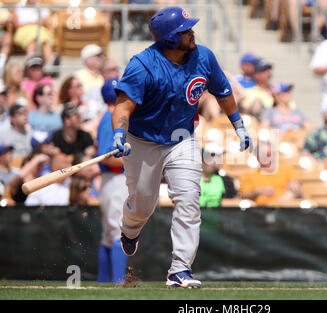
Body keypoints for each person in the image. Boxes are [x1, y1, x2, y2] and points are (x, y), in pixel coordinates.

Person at [110, 7, 253, 289]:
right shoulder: (143, 65)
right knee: (143, 203)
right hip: (142, 141)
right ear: (169, 39)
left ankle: (180, 270)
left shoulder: (204, 56)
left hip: (182, 138)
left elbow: (223, 92)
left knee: (189, 199)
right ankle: (130, 228)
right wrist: (118, 134)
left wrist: (238, 125)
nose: (192, 33)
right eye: (185, 30)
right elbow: (123, 107)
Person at [95, 77, 128, 284]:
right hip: (115, 179)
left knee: (109, 235)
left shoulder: (107, 116)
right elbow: (110, 158)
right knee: (117, 232)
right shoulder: (110, 117)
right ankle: (118, 281)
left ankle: (103, 282)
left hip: (110, 181)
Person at [240, 141, 303, 206]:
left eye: (273, 154)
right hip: (260, 211)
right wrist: (257, 191)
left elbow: (298, 192)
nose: (271, 157)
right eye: (266, 155)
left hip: (286, 210)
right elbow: (244, 197)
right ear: (258, 158)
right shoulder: (249, 176)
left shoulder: (288, 170)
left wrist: (295, 186)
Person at [12, 0, 59, 66]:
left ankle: (49, 61)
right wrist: (33, 23)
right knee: (34, 37)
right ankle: (32, 62)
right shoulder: (19, 6)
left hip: (40, 30)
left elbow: (43, 22)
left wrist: (38, 9)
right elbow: (16, 24)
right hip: (23, 31)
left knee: (42, 38)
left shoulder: (41, 7)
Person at [199, 142, 237, 208]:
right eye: (212, 156)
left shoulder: (225, 180)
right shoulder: (190, 180)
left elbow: (231, 202)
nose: (217, 160)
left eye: (220, 156)